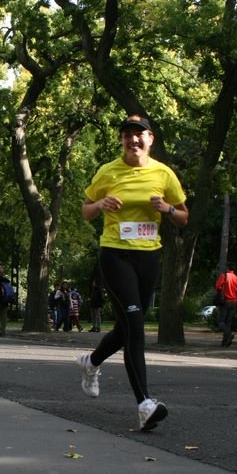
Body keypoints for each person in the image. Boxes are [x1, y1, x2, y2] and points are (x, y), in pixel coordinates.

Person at [75, 114, 189, 431]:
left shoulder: (164, 174)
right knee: (135, 322)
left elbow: (183, 217)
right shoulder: (108, 171)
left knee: (128, 326)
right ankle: (144, 404)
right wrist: (100, 205)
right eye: (127, 135)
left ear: (150, 139)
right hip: (115, 254)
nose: (133, 140)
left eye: (139, 135)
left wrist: (167, 209)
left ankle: (91, 361)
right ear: (122, 140)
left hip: (149, 256)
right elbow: (85, 210)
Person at [215, 263, 237, 347]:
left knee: (221, 322)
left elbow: (217, 286)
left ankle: (228, 334)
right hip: (234, 302)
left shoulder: (224, 276)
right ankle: (225, 341)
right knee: (228, 322)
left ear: (227, 268)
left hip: (225, 301)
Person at [88, 263, 104, 333]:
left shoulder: (98, 287)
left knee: (97, 314)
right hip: (94, 300)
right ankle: (95, 327)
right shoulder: (94, 288)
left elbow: (100, 295)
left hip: (96, 301)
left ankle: (98, 327)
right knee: (94, 314)